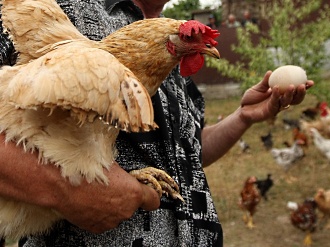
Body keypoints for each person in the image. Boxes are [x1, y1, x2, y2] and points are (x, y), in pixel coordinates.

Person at [0, 0, 313, 246]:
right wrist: (66, 191)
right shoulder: (63, 8)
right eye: (191, 39)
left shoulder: (169, 61)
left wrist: (242, 117)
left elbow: (188, 152)